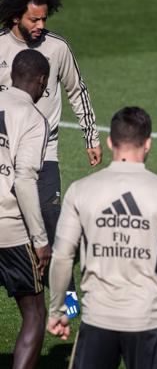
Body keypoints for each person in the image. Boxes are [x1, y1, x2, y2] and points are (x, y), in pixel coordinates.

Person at [47, 107, 157, 369]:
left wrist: (56, 310)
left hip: (97, 320)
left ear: (110, 142)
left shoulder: (80, 190)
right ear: (148, 144)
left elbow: (62, 256)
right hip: (148, 321)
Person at [0, 0, 102, 318]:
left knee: (49, 216)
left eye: (44, 17)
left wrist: (91, 136)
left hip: (46, 151)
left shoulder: (57, 48)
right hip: (5, 151)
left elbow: (78, 90)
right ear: (16, 16)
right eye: (34, 18)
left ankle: (66, 289)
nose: (41, 24)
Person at [0, 49, 50, 369]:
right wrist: (40, 239)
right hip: (9, 228)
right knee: (34, 313)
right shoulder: (33, 118)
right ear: (42, 82)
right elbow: (24, 180)